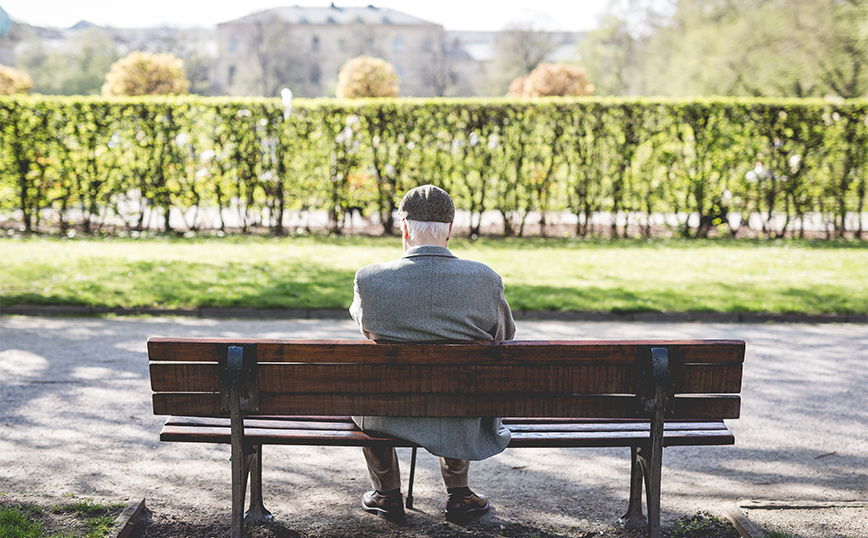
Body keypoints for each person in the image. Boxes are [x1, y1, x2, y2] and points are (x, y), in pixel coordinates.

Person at [349, 184, 516, 523]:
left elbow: (368, 330)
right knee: (464, 387)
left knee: (367, 394)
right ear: (450, 230)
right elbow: (503, 337)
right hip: (460, 408)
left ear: (405, 228)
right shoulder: (485, 279)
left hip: (388, 411)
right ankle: (459, 495)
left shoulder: (369, 280)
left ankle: (386, 494)